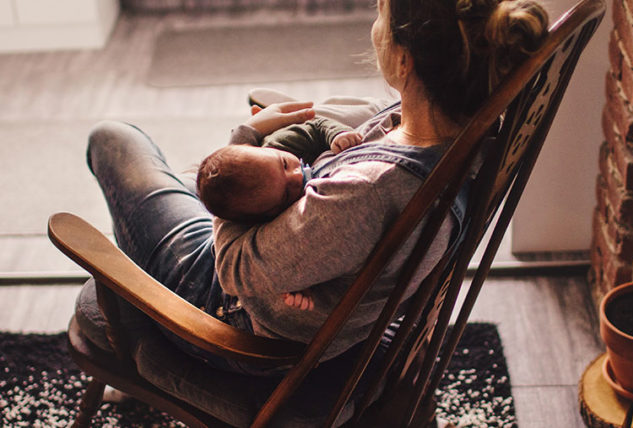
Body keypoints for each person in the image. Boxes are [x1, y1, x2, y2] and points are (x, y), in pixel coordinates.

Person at [83, 0, 548, 383]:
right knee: (184, 179)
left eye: (380, 15)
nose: (374, 27)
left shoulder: (366, 195)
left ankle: (135, 332)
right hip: (308, 295)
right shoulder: (463, 138)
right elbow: (347, 150)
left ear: (405, 61)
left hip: (235, 323)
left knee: (114, 139)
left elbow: (232, 269)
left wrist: (242, 144)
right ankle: (139, 286)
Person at [197, 117, 365, 310]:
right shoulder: (265, 216)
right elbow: (288, 258)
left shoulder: (280, 144)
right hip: (216, 276)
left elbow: (316, 126)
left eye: (284, 164)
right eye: (286, 194)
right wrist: (293, 284)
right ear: (266, 216)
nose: (296, 176)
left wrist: (338, 134)